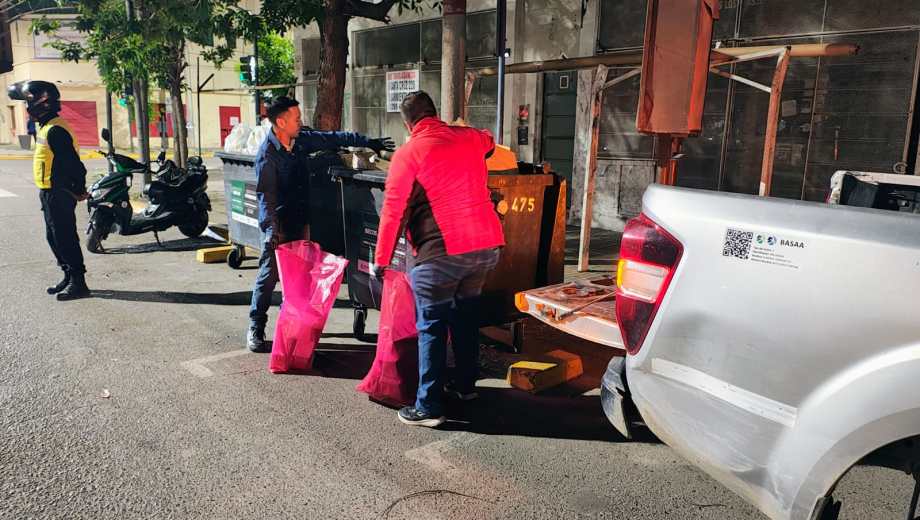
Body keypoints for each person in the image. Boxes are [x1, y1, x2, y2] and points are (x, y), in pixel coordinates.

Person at [372, 91, 504, 428]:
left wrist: (381, 259)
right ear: (435, 113)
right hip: (485, 249)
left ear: (407, 123)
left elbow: (393, 210)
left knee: (431, 326)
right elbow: (489, 141)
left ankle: (428, 406)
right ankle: (464, 387)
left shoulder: (408, 153)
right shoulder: (469, 138)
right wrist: (461, 129)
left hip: (441, 253)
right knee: (465, 318)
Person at [247, 96, 394, 352]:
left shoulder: (301, 139)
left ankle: (295, 327)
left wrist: (368, 142)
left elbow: (333, 137)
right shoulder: (267, 156)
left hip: (302, 218)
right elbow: (266, 198)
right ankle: (255, 327)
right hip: (278, 223)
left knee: (302, 277)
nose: (300, 121)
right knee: (269, 275)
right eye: (296, 118)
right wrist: (271, 231)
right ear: (280, 122)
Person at [7, 80, 90, 301]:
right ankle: (67, 275)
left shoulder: (55, 130)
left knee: (65, 238)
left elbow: (75, 166)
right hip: (48, 192)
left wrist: (78, 189)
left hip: (59, 193)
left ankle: (79, 282)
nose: (26, 108)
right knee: (53, 237)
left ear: (41, 104)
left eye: (28, 102)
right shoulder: (46, 126)